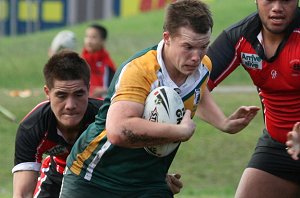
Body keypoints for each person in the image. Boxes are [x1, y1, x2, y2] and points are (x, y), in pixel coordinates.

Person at [59, 1, 259, 197]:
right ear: (167, 37)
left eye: (204, 46)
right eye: (188, 47)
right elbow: (118, 130)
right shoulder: (140, 70)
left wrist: (223, 122)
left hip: (149, 182)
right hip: (95, 177)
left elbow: (198, 91)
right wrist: (178, 132)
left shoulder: (202, 66)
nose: (196, 57)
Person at [206, 0, 300, 197]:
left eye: (285, 0)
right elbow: (192, 87)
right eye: (269, 0)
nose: (277, 8)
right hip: (278, 146)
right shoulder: (240, 36)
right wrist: (222, 122)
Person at [12, 51, 103, 198]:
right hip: (57, 172)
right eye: (61, 95)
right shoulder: (32, 127)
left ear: (88, 90)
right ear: (47, 92)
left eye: (78, 94)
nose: (70, 105)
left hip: (100, 175)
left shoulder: (106, 117)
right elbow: (22, 194)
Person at [82, 23, 116, 98]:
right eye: (87, 37)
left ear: (102, 41)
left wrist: (104, 90)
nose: (89, 41)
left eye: (93, 37)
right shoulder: (79, 61)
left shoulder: (108, 64)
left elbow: (114, 88)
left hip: (101, 104)